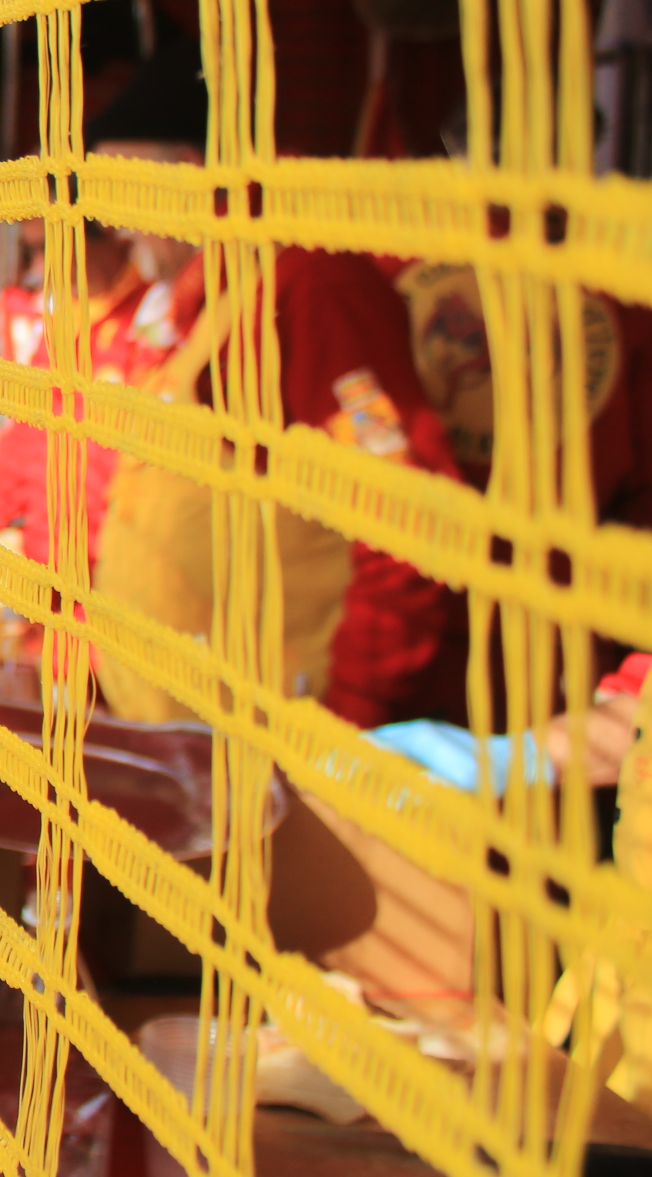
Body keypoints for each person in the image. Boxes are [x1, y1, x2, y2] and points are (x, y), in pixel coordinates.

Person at [67, 45, 464, 727]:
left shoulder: (308, 290)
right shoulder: (212, 305)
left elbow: (404, 515)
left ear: (189, 173)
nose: (114, 229)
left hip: (281, 741)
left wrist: (350, 716)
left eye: (120, 196)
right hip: (194, 735)